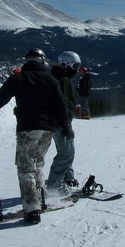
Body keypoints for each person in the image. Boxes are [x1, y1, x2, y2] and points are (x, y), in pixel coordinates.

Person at [0, 48, 71, 225]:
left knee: (25, 168)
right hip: (48, 129)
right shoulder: (51, 79)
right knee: (38, 163)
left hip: (27, 127)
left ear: (27, 61)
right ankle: (41, 199)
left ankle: (32, 209)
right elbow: (61, 105)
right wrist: (66, 126)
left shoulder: (18, 78)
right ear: (42, 62)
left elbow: (3, 95)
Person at [48, 51, 81, 191]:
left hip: (58, 121)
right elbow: (63, 104)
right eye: (74, 66)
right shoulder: (63, 80)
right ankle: (54, 185)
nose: (76, 70)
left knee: (66, 150)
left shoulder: (59, 77)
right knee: (67, 152)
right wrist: (66, 125)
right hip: (60, 122)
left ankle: (68, 178)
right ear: (65, 64)